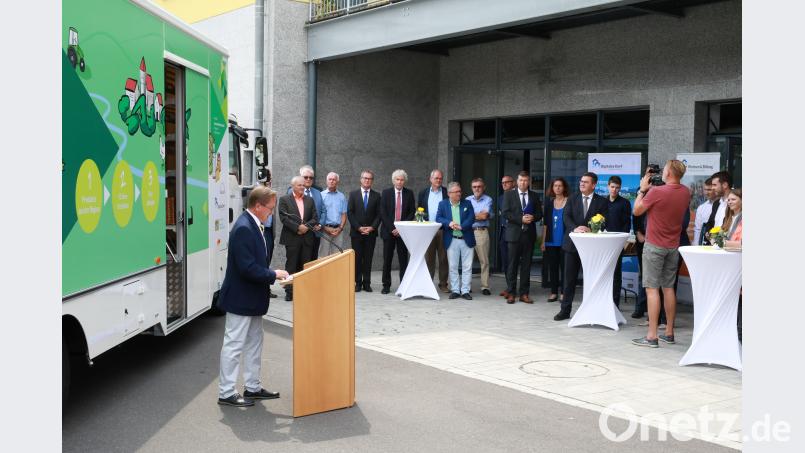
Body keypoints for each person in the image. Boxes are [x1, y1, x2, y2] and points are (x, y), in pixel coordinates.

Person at [217, 186, 289, 407]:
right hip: (241, 299)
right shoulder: (243, 228)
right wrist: (273, 275)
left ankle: (252, 387)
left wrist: (271, 273)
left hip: (252, 299)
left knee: (254, 344)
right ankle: (226, 392)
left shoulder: (253, 224)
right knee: (234, 344)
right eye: (269, 208)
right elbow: (247, 268)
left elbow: (254, 263)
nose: (271, 213)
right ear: (257, 206)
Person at [631, 160, 691, 348]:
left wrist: (642, 190)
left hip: (655, 245)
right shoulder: (685, 192)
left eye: (664, 169)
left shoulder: (657, 192)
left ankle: (651, 336)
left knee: (651, 289)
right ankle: (669, 333)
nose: (662, 172)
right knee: (668, 288)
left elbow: (637, 210)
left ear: (670, 172)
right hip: (673, 246)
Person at [554, 172, 609, 321]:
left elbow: (605, 221)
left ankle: (593, 311)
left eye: (585, 182)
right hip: (572, 245)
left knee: (592, 280)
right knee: (569, 280)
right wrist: (575, 228)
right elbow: (566, 217)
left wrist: (592, 229)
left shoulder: (602, 202)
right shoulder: (572, 198)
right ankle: (565, 311)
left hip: (592, 249)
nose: (582, 184)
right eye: (581, 181)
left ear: (594, 185)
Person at [501, 171, 543, 304]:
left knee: (526, 265)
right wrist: (520, 219)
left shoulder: (534, 196)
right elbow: (505, 214)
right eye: (521, 180)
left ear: (529, 182)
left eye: (525, 181)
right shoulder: (509, 195)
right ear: (516, 181)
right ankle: (511, 292)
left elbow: (540, 214)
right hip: (514, 235)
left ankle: (524, 293)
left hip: (529, 235)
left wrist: (533, 217)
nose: (523, 183)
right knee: (512, 265)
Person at [278, 176, 319, 301]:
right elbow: (284, 217)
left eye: (303, 185)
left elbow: (315, 217)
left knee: (305, 265)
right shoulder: (284, 199)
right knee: (291, 265)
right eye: (299, 185)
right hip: (292, 237)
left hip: (307, 237)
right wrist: (297, 228)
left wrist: (305, 227)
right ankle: (289, 291)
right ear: (293, 187)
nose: (303, 187)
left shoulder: (310, 200)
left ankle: (303, 290)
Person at [436, 182, 477, 300]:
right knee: (453, 266)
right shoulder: (443, 204)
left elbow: (471, 218)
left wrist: (461, 227)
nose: (459, 193)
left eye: (460, 191)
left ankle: (465, 290)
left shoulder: (467, 203)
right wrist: (449, 223)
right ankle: (455, 290)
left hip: (466, 239)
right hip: (452, 239)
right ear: (449, 194)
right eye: (456, 192)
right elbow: (438, 218)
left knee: (467, 266)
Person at [380, 169, 415, 294]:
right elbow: (383, 213)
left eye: (402, 180)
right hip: (389, 231)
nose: (400, 182)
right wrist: (392, 228)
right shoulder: (386, 193)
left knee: (403, 260)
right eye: (397, 179)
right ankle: (386, 285)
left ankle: (403, 285)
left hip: (403, 233)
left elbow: (412, 212)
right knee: (387, 259)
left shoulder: (409, 193)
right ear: (393, 180)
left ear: (404, 181)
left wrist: (401, 228)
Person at [347, 170, 382, 292]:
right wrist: (358, 227)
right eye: (365, 178)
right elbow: (350, 213)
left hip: (371, 233)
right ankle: (357, 282)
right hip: (357, 233)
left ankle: (367, 283)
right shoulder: (353, 194)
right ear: (361, 179)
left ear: (372, 181)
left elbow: (379, 214)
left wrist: (372, 227)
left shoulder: (377, 196)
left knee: (368, 258)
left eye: (370, 178)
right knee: (357, 258)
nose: (367, 180)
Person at [418, 170, 450, 293]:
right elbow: (419, 209)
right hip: (428, 230)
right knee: (429, 258)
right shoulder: (423, 193)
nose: (439, 180)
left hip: (443, 229)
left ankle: (443, 284)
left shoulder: (447, 192)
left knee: (443, 258)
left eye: (440, 178)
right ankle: (428, 283)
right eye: (436, 178)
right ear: (430, 179)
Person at [606, 176, 632, 308]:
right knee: (604, 273)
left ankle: (615, 304)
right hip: (603, 243)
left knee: (616, 273)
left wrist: (621, 241)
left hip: (617, 243)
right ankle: (603, 302)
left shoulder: (625, 203)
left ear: (620, 188)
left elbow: (627, 224)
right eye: (612, 187)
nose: (614, 190)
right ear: (608, 186)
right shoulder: (602, 202)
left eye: (617, 187)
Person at [541, 177, 568, 303]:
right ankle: (553, 292)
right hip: (551, 241)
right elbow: (545, 224)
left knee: (565, 268)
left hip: (564, 241)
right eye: (555, 186)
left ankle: (563, 292)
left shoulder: (569, 202)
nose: (557, 188)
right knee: (553, 267)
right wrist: (543, 241)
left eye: (560, 186)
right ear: (552, 188)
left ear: (564, 187)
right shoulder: (548, 203)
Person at [288, 165, 325, 260]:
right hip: (299, 233)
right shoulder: (291, 191)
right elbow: (289, 213)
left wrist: (320, 225)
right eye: (305, 177)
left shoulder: (317, 192)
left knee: (312, 261)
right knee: (297, 263)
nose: (308, 179)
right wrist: (299, 227)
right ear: (300, 177)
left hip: (315, 232)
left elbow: (323, 211)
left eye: (311, 177)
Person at [466, 178, 494, 295]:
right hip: (468, 232)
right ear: (472, 188)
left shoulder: (488, 199)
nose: (477, 189)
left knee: (484, 261)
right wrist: (477, 215)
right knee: (467, 261)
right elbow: (465, 217)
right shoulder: (467, 200)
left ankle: (485, 286)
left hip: (481, 232)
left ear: (484, 187)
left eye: (479, 186)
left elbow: (484, 216)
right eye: (474, 187)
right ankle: (466, 287)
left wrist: (472, 215)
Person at [319, 172, 348, 257]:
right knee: (323, 256)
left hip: (338, 231)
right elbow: (318, 214)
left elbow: (344, 214)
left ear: (337, 182)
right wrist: (325, 228)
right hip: (324, 230)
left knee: (337, 256)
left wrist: (340, 228)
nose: (331, 181)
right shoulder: (321, 195)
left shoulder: (341, 196)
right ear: (326, 181)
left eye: (334, 179)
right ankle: (323, 271)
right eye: (330, 179)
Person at [261, 169, 277, 299]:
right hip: (261, 230)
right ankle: (263, 288)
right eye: (267, 177)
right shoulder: (258, 191)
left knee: (268, 258)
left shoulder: (271, 191)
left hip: (269, 231)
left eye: (270, 177)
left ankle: (266, 287)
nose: (269, 179)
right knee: (262, 259)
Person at [498, 175, 515, 294]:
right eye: (502, 183)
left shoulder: (517, 196)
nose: (504, 185)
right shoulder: (500, 198)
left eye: (507, 182)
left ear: (513, 183)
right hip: (503, 231)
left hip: (514, 231)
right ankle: (509, 287)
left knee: (513, 261)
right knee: (505, 260)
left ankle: (513, 288)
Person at [693, 177, 718, 245]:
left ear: (715, 190)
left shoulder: (723, 205)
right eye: (705, 190)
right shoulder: (701, 208)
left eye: (709, 190)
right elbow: (698, 229)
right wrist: (696, 246)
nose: (706, 192)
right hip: (705, 244)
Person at [707, 171, 732, 236]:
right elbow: (710, 224)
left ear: (725, 185)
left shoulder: (736, 203)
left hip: (730, 244)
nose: (712, 188)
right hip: (714, 244)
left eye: (714, 185)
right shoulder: (716, 203)